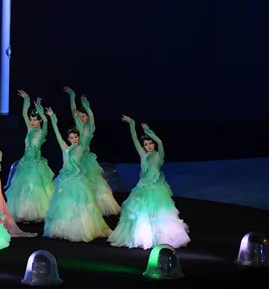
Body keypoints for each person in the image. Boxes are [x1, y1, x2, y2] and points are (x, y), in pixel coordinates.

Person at [108, 117, 190, 249]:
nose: (148, 146)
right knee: (140, 214)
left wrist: (150, 132)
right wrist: (132, 125)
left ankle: (160, 237)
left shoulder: (159, 155)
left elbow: (161, 142)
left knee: (158, 213)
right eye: (146, 144)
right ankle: (143, 237)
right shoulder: (143, 155)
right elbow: (135, 140)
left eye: (150, 143)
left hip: (157, 189)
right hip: (143, 187)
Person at [43, 107, 111, 242]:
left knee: (80, 204)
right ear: (68, 138)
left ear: (79, 137)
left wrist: (79, 114)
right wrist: (52, 118)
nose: (74, 139)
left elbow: (81, 128)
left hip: (78, 180)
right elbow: (57, 134)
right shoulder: (65, 148)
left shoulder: (81, 147)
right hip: (65, 180)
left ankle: (82, 229)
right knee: (64, 204)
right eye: (72, 137)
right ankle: (63, 229)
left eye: (76, 137)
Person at [63, 87, 120, 216]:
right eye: (81, 116)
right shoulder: (78, 127)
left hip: (87, 159)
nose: (82, 118)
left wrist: (86, 107)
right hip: (77, 159)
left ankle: (94, 207)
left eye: (84, 116)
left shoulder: (90, 128)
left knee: (92, 182)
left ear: (88, 117)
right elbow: (73, 112)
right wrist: (72, 96)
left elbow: (91, 116)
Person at [5, 91, 54, 223]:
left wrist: (40, 110)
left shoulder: (42, 132)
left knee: (33, 187)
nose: (32, 122)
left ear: (39, 121)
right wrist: (26, 99)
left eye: (35, 120)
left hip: (36, 164)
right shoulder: (29, 129)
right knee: (22, 189)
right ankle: (23, 214)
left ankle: (36, 213)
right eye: (31, 119)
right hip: (25, 163)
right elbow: (23, 114)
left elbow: (46, 121)